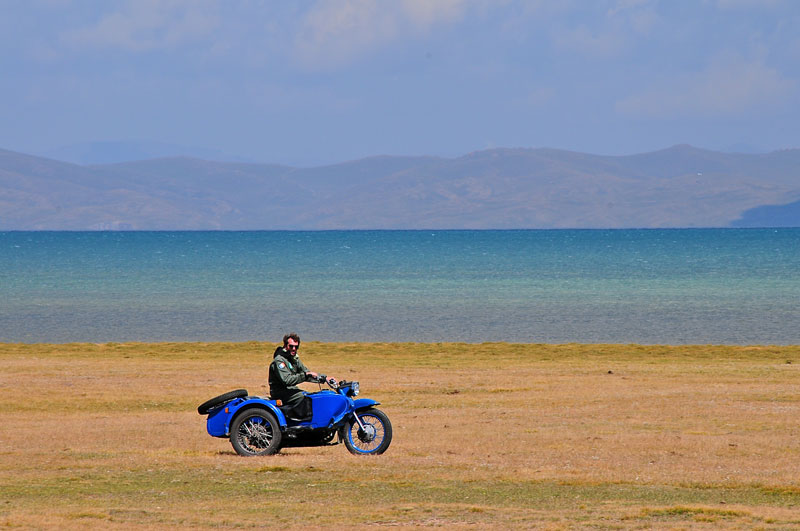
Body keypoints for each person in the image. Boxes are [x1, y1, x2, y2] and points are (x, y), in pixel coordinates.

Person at [268, 333, 333, 421]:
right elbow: (287, 380)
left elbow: (307, 373)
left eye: (296, 347)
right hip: (280, 392)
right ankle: (299, 423)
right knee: (304, 398)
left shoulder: (294, 359)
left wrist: (325, 379)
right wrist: (304, 376)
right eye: (291, 346)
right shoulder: (279, 361)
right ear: (285, 345)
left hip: (290, 390)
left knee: (314, 396)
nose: (294, 349)